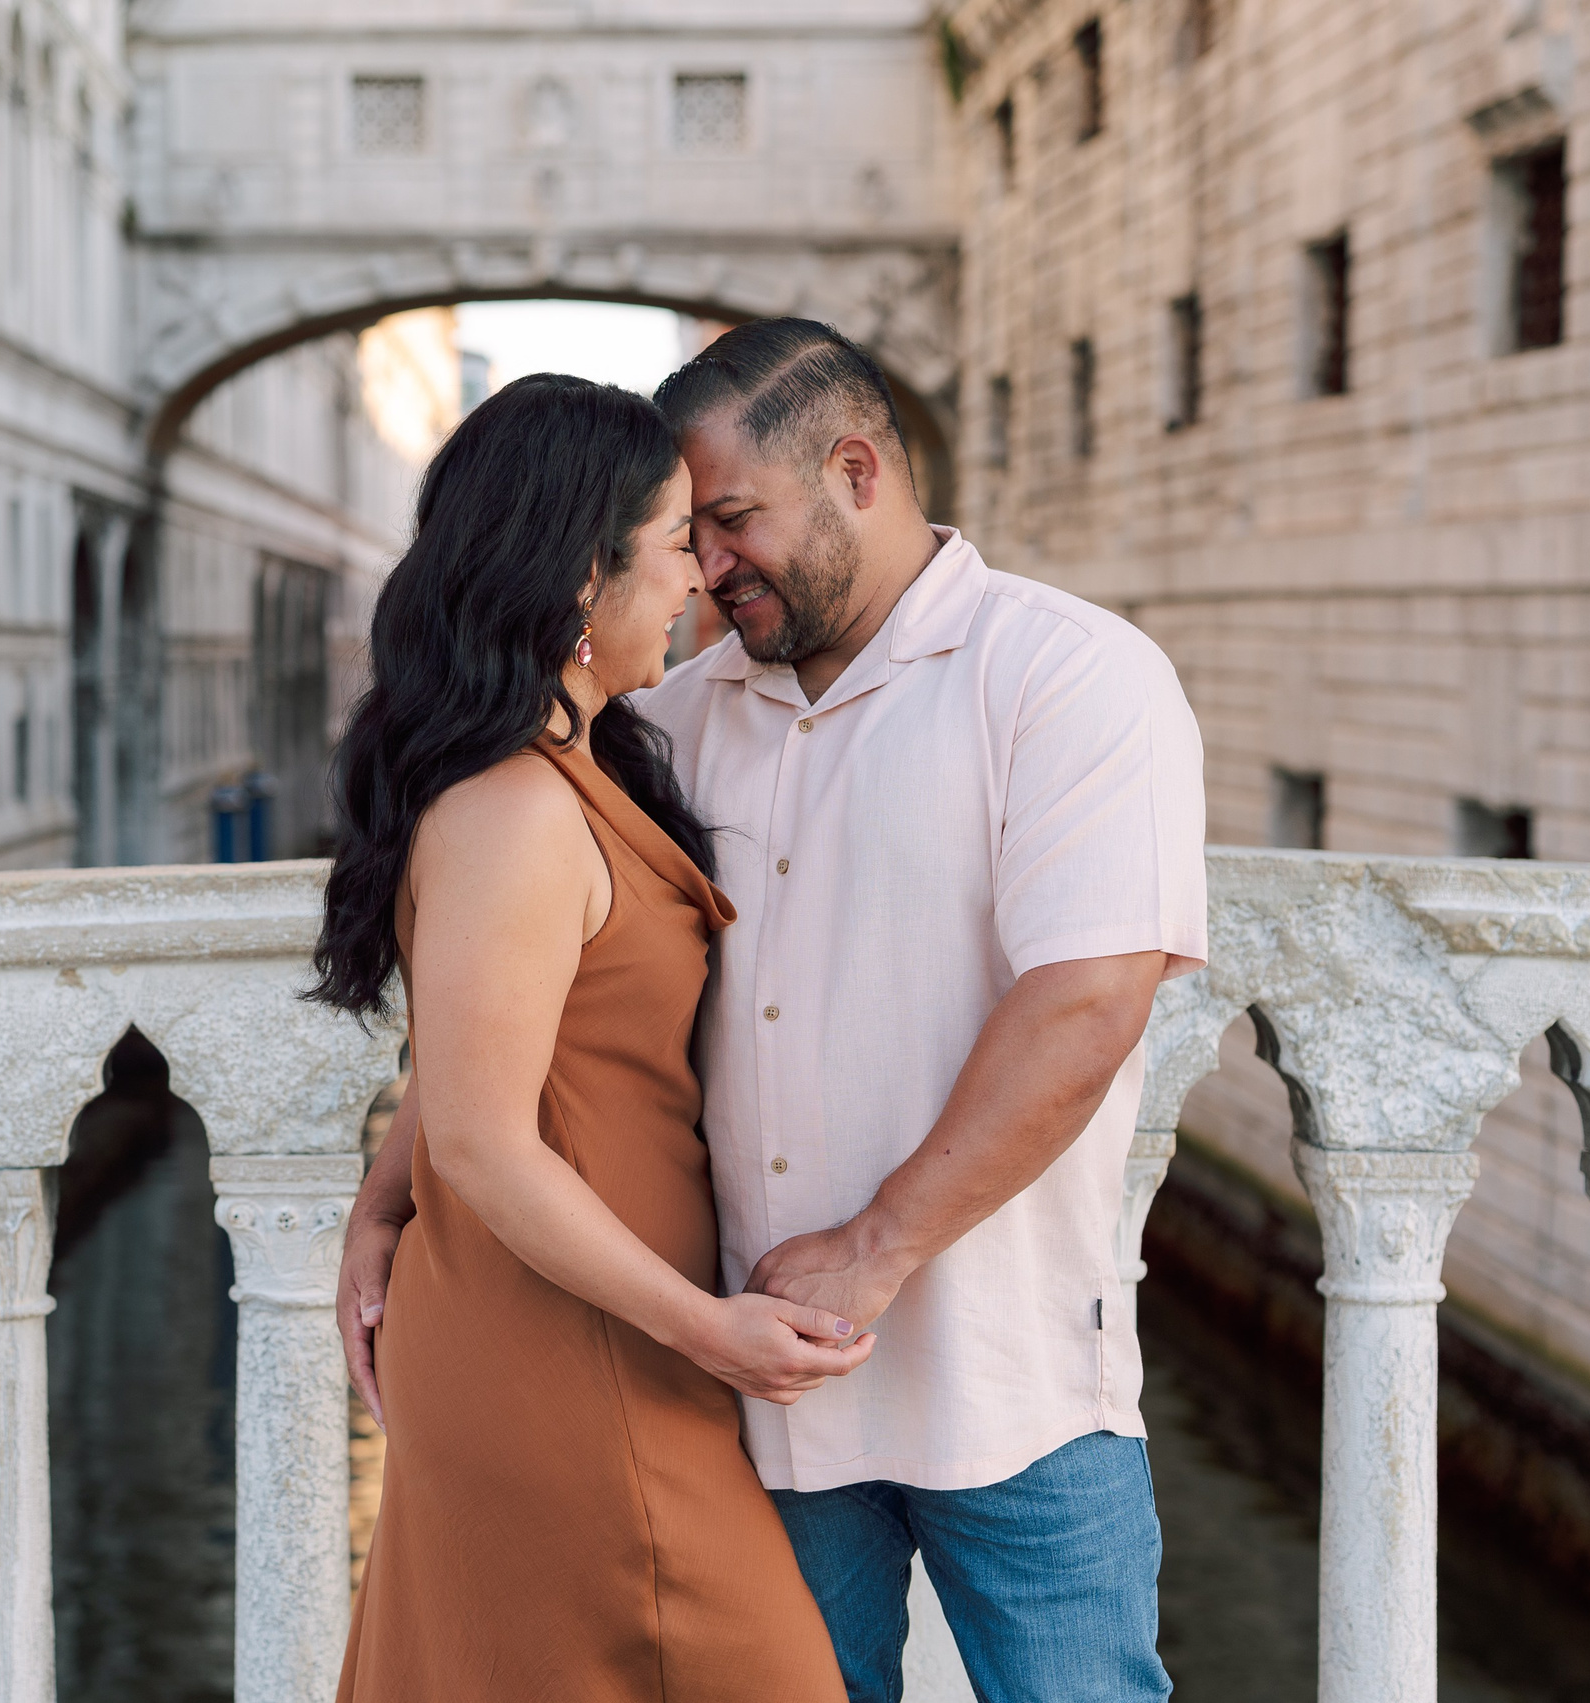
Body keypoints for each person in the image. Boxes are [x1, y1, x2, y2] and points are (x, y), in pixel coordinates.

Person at [338, 320, 1207, 1703]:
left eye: (730, 520)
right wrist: (390, 1196)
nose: (707, 565)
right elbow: (518, 1011)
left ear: (855, 471)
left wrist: (874, 1250)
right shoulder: (668, 719)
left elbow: (1088, 1002)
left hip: (1009, 1371)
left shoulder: (1067, 674)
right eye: (684, 533)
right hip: (753, 1388)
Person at [309, 373, 854, 1702]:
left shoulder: (572, 772)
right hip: (573, 1349)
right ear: (576, 581)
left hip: (590, 1329)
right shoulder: (516, 810)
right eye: (673, 541)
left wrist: (378, 1208)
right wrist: (707, 1333)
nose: (697, 576)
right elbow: (488, 1142)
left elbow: (481, 1054)